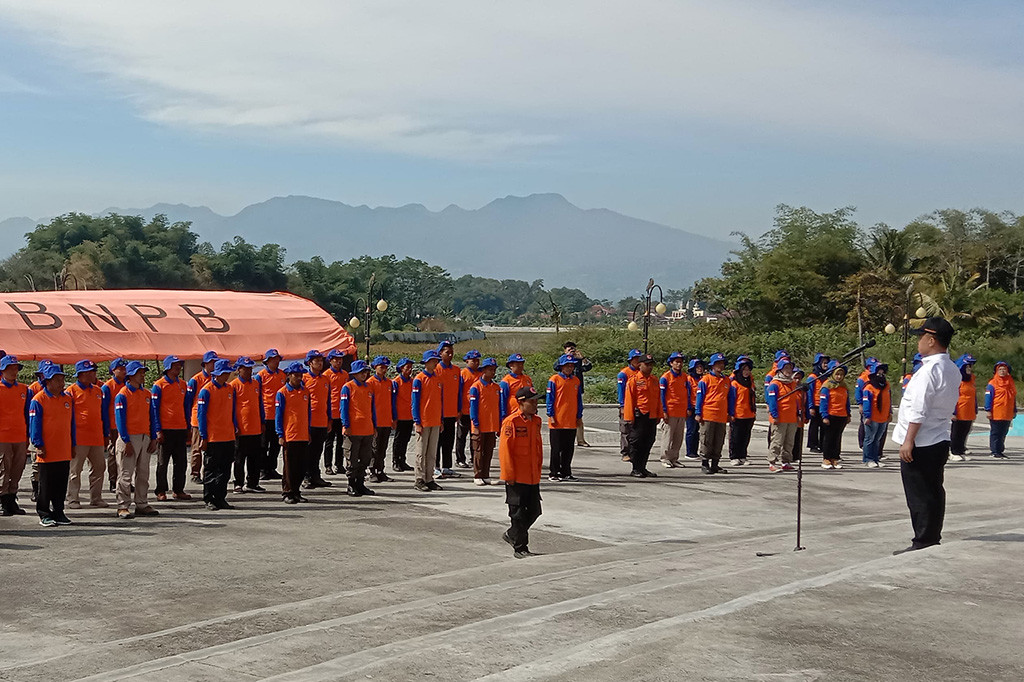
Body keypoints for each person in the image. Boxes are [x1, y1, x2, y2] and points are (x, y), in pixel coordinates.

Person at [892, 317, 961, 555]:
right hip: (938, 437)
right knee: (933, 490)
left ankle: (922, 540)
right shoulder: (951, 368)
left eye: (921, 337)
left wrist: (908, 440)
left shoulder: (928, 371)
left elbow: (919, 409)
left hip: (921, 441)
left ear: (931, 340)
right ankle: (931, 536)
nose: (918, 341)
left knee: (919, 494)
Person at [499, 386, 544, 558]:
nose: (535, 405)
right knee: (517, 514)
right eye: (532, 402)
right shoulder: (511, 422)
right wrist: (508, 475)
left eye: (536, 401)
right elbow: (505, 451)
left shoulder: (536, 421)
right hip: (516, 476)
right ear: (521, 402)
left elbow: (538, 449)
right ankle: (520, 548)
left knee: (534, 510)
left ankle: (512, 534)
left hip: (532, 475)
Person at [29, 364, 74, 527]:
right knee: (46, 484)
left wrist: (73, 443)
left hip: (64, 448)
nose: (62, 383)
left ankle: (59, 511)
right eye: (58, 380)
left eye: (62, 379)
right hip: (47, 450)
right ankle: (44, 513)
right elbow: (34, 425)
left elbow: (72, 424)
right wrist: (38, 444)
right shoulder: (38, 400)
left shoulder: (67, 399)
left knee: (61, 483)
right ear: (48, 381)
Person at [113, 361, 159, 519]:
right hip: (129, 438)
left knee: (143, 473)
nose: (143, 375)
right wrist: (126, 441)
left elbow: (152, 417)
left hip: (145, 437)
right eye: (140, 372)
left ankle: (142, 503)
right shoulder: (123, 395)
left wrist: (153, 438)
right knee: (126, 474)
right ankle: (122, 506)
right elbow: (120, 420)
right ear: (131, 375)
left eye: (143, 372)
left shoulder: (146, 394)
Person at [65, 359, 110, 509]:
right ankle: (73, 499)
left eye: (94, 371)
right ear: (82, 374)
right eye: (91, 372)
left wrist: (105, 434)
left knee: (99, 468)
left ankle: (96, 498)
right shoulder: (71, 391)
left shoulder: (98, 391)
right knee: (75, 470)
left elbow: (103, 414)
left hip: (96, 437)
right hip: (79, 437)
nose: (94, 374)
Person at [196, 359, 237, 510]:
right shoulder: (206, 391)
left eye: (228, 373)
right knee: (211, 469)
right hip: (213, 437)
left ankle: (220, 497)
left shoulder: (230, 389)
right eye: (224, 373)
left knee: (225, 470)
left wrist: (234, 427)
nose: (227, 375)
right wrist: (203, 436)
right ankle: (209, 498)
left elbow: (233, 411)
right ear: (217, 374)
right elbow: (201, 415)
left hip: (228, 436)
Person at [152, 355, 192, 502]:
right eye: (175, 365)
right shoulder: (159, 385)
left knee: (181, 462)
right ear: (168, 367)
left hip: (180, 428)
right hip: (165, 429)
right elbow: (155, 409)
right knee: (162, 462)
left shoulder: (183, 385)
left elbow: (186, 407)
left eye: (179, 365)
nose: (178, 367)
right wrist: (158, 429)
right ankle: (161, 490)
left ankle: (178, 490)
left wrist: (188, 427)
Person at [275, 361, 311, 504]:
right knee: (289, 466)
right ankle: (287, 492)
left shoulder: (305, 392)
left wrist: (308, 431)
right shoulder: (282, 393)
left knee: (301, 465)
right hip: (289, 434)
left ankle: (296, 491)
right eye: (296, 375)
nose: (299, 378)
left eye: (301, 375)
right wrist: (280, 434)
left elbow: (308, 413)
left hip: (303, 434)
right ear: (289, 375)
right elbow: (279, 415)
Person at [623, 354, 664, 478]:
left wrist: (659, 415)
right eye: (647, 364)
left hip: (651, 416)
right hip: (639, 416)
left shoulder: (654, 380)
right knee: (637, 442)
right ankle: (635, 468)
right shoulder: (634, 380)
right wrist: (629, 417)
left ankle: (643, 467)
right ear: (639, 365)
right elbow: (629, 400)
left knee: (649, 441)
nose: (649, 367)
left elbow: (658, 399)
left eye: (651, 365)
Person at [340, 359, 377, 496]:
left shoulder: (369, 388)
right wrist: (346, 425)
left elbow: (372, 408)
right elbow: (343, 408)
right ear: (354, 373)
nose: (364, 374)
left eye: (366, 372)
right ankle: (351, 484)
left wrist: (374, 425)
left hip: (367, 429)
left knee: (365, 458)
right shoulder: (348, 387)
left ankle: (360, 483)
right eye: (361, 372)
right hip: (353, 430)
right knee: (352, 458)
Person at [0, 354, 31, 516]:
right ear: (2, 371)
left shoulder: (24, 389)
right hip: (2, 437)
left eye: (15, 368)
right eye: (10, 368)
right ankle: (3, 500)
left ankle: (12, 497)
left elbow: (28, 414)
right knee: (3, 469)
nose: (14, 371)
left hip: (19, 435)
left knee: (18, 468)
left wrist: (28, 435)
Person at [546, 353, 583, 482]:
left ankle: (566, 472)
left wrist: (579, 415)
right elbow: (550, 399)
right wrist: (551, 414)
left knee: (569, 448)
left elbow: (578, 400)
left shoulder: (576, 381)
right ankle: (554, 472)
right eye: (567, 366)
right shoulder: (554, 380)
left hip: (571, 420)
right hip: (558, 420)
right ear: (561, 367)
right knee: (556, 449)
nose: (569, 368)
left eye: (571, 366)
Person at [231, 356, 265, 493]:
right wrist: (234, 424)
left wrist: (262, 421)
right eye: (245, 369)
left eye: (250, 368)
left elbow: (260, 404)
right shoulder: (233, 385)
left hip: (255, 428)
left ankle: (253, 483)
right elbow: (231, 407)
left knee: (255, 458)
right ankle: (238, 483)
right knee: (239, 458)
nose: (248, 371)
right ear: (239, 370)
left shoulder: (256, 384)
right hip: (241, 429)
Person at [695, 353, 734, 474]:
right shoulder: (705, 380)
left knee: (719, 440)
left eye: (722, 363)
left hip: (721, 416)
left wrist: (731, 413)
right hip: (708, 415)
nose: (720, 366)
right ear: (712, 365)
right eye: (718, 364)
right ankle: (705, 463)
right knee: (707, 439)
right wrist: (698, 412)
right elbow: (699, 397)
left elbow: (730, 398)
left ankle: (715, 464)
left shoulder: (727, 380)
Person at [412, 349, 444, 492]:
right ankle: (419, 478)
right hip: (424, 421)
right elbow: (415, 402)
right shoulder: (419, 379)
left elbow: (440, 400)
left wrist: (441, 419)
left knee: (432, 452)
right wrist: (417, 421)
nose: (435, 363)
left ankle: (429, 478)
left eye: (436, 360)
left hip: (435, 420)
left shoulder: (438, 379)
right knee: (421, 452)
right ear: (426, 362)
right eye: (432, 360)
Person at [186, 350, 219, 484]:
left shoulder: (216, 379)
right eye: (212, 362)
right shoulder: (195, 380)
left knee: (211, 448)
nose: (214, 365)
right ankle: (195, 473)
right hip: (198, 419)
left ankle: (208, 473)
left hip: (213, 419)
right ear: (205, 364)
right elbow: (188, 401)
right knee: (197, 448)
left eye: (215, 362)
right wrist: (188, 419)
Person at [302, 349, 333, 488]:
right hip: (309, 422)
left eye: (321, 360)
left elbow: (328, 401)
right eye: (317, 361)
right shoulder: (304, 379)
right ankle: (306, 476)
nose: (320, 363)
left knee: (317, 451)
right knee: (307, 452)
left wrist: (329, 419)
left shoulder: (325, 379)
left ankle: (316, 476)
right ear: (310, 363)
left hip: (322, 421)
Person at [468, 357, 501, 485]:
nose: (492, 372)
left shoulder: (496, 387)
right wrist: (475, 423)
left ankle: (486, 474)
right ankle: (477, 474)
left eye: (494, 370)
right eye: (490, 370)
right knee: (478, 451)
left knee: (489, 451)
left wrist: (499, 424)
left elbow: (499, 407)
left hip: (491, 425)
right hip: (480, 425)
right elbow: (473, 408)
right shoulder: (476, 387)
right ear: (483, 371)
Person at [766, 359, 801, 472]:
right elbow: (772, 401)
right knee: (777, 441)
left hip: (791, 417)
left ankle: (786, 462)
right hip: (780, 417)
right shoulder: (774, 384)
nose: (789, 370)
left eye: (790, 368)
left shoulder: (792, 383)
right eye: (786, 368)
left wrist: (798, 413)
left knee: (789, 442)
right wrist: (774, 415)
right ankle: (772, 462)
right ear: (780, 370)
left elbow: (795, 400)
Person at [258, 348, 286, 480]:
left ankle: (271, 468)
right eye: (273, 359)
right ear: (267, 361)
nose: (276, 362)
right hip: (266, 415)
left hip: (278, 415)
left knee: (276, 444)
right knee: (263, 445)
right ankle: (262, 469)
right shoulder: (260, 376)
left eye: (277, 359)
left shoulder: (283, 375)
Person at [101, 357, 128, 493]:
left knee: (126, 455)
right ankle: (113, 481)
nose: (124, 371)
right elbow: (104, 409)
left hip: (126, 425)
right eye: (121, 369)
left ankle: (125, 481)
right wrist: (106, 429)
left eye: (125, 369)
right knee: (113, 454)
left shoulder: (128, 384)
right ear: (113, 371)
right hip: (113, 426)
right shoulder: (107, 387)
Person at [366, 356, 394, 483]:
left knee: (383, 447)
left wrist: (393, 417)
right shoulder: (370, 383)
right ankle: (372, 470)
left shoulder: (389, 383)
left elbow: (391, 402)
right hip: (376, 421)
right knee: (374, 448)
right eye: (381, 367)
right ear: (375, 368)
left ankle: (380, 470)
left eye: (385, 367)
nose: (384, 369)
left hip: (386, 420)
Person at [659, 352, 690, 468]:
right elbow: (662, 396)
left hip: (681, 411)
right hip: (670, 411)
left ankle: (674, 458)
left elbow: (688, 393)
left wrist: (688, 408)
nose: (679, 364)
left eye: (680, 362)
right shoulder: (665, 378)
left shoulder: (685, 377)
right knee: (668, 437)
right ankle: (665, 458)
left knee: (678, 438)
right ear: (671, 363)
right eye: (676, 362)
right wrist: (664, 411)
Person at [819, 361, 851, 470]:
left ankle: (835, 458)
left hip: (841, 415)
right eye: (837, 374)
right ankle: (826, 459)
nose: (839, 377)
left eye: (841, 374)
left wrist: (848, 414)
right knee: (829, 438)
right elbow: (823, 402)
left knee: (837, 438)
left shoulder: (844, 386)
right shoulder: (826, 386)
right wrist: (824, 416)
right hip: (831, 415)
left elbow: (847, 402)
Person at [323, 349, 350, 476]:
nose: (339, 361)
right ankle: (328, 465)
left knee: (341, 441)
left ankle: (339, 465)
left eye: (340, 359)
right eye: (336, 359)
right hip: (331, 412)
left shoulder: (345, 374)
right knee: (329, 442)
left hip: (342, 412)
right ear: (330, 361)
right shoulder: (326, 375)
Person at [562, 341, 594, 447]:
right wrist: (567, 357)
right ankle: (566, 439)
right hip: (564, 391)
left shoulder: (578, 360)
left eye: (573, 349)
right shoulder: (562, 360)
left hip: (577, 390)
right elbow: (555, 366)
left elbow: (588, 367)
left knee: (578, 415)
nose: (572, 351)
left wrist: (582, 358)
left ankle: (581, 440)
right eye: (569, 349)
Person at [861, 361, 892, 468]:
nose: (881, 375)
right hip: (872, 417)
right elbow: (866, 403)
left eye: (882, 373)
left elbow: (889, 400)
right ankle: (868, 459)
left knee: (877, 440)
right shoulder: (869, 387)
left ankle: (875, 458)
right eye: (878, 373)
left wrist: (890, 413)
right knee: (869, 439)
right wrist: (867, 416)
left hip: (883, 417)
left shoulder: (886, 386)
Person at [985, 361, 1017, 459]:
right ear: (996, 371)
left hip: (1007, 413)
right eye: (1000, 369)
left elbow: (1013, 397)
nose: (1002, 371)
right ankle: (994, 451)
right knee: (996, 433)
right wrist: (988, 410)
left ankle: (1000, 451)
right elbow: (988, 397)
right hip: (996, 412)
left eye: (1004, 369)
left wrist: (1014, 410)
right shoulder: (992, 383)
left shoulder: (1010, 382)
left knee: (1003, 433)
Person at [616, 350, 643, 462]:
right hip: (627, 405)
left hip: (639, 406)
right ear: (630, 360)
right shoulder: (624, 374)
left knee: (637, 431)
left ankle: (635, 452)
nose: (637, 361)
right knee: (626, 430)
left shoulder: (641, 373)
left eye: (639, 359)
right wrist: (622, 406)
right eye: (635, 359)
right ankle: (625, 452)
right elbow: (621, 391)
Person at [457, 350, 483, 467]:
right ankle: (460, 459)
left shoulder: (481, 374)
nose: (476, 363)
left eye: (478, 360)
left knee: (475, 436)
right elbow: (458, 392)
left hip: (477, 411)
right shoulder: (463, 374)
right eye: (473, 360)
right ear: (467, 361)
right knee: (461, 436)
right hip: (465, 410)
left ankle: (474, 458)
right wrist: (458, 409)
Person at [949, 354, 978, 461]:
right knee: (956, 432)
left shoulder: (971, 380)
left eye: (970, 366)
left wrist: (975, 408)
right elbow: (952, 396)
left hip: (969, 411)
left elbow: (974, 396)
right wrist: (953, 412)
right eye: (967, 366)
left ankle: (961, 450)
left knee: (965, 432)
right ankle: (954, 452)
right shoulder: (956, 380)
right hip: (959, 411)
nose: (969, 369)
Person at [728, 357, 756, 466]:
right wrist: (731, 413)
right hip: (738, 414)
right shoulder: (734, 383)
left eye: (748, 370)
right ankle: (734, 456)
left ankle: (742, 456)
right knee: (735, 437)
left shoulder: (750, 383)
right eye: (744, 370)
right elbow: (731, 400)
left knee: (745, 437)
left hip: (749, 414)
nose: (746, 372)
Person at [391, 358, 416, 472]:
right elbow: (393, 400)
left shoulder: (412, 382)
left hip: (409, 415)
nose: (410, 370)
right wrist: (394, 417)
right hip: (400, 416)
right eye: (407, 367)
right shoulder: (396, 382)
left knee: (406, 439)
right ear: (401, 368)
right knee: (398, 440)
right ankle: (395, 461)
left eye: (411, 367)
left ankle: (402, 460)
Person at [806, 353, 830, 453]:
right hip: (816, 405)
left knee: (824, 426)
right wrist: (811, 406)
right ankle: (813, 445)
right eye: (824, 363)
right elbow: (809, 393)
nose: (826, 365)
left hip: (825, 405)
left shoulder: (828, 376)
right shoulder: (812, 377)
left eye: (827, 363)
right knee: (814, 426)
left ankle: (823, 445)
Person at [499, 353, 533, 421]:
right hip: (513, 415)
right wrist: (503, 416)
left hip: (527, 414)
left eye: (522, 363)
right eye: (518, 364)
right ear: (511, 365)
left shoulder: (527, 379)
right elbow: (502, 400)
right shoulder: (506, 381)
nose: (521, 366)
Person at [684, 358, 704, 460]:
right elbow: (687, 395)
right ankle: (690, 452)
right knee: (691, 430)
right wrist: (688, 407)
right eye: (697, 367)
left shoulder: (702, 379)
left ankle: (695, 452)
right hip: (691, 407)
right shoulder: (689, 379)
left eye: (701, 367)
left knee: (697, 430)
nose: (700, 369)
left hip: (700, 408)